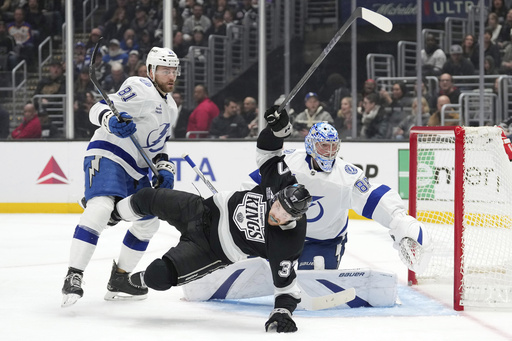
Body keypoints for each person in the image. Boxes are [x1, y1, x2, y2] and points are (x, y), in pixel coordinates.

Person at [181, 121, 431, 309]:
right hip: (283, 232)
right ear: (311, 144)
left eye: (334, 146)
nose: (329, 152)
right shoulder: (290, 162)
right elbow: (256, 186)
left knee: (313, 275)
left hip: (325, 241)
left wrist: (400, 221)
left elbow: (374, 197)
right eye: (324, 145)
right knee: (249, 253)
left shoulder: (347, 175)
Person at [113, 108, 312, 333]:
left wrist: (282, 312)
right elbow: (268, 153)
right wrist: (277, 129)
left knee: (157, 275)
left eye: (285, 215)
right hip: (201, 209)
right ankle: (112, 214)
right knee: (146, 197)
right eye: (277, 205)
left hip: (209, 250)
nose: (276, 213)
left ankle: (134, 280)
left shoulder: (289, 243)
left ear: (296, 217)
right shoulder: (282, 183)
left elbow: (287, 288)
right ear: (278, 195)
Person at [61, 47, 181, 307]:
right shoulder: (139, 87)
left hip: (136, 168)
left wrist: (164, 168)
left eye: (174, 70)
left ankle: (120, 278)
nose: (170, 75)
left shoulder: (171, 107)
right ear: (151, 71)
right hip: (109, 153)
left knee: (149, 223)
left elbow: (159, 147)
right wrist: (110, 121)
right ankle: (74, 275)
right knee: (101, 207)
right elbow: (98, 109)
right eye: (164, 70)